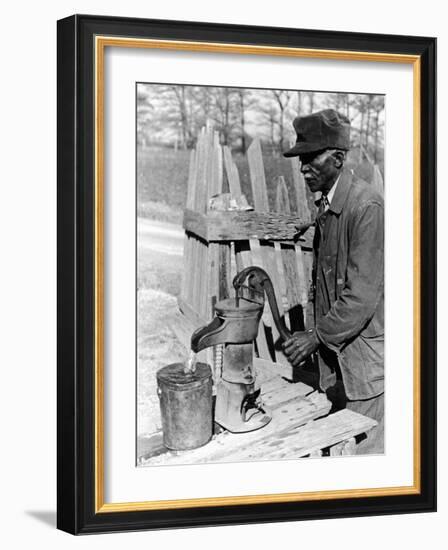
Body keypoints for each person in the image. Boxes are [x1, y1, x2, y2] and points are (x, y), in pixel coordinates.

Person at [282, 108, 384, 454]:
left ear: (338, 158)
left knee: (364, 461)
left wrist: (316, 336)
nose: (302, 167)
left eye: (311, 157)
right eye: (300, 158)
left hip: (363, 366)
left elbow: (361, 298)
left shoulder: (366, 206)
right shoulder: (329, 204)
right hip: (337, 361)